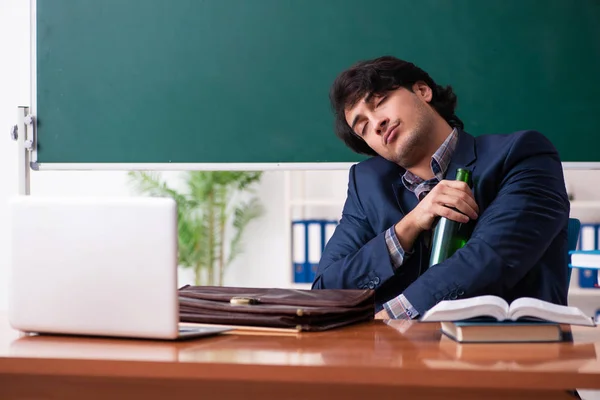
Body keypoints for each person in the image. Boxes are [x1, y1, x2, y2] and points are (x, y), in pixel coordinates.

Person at [311, 56, 570, 320]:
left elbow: (488, 260)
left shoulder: (521, 155)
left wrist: (387, 318)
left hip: (506, 352)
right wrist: (407, 228)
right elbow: (326, 291)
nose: (376, 124)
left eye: (380, 102)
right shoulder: (367, 184)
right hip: (395, 356)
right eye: (363, 127)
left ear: (422, 91)